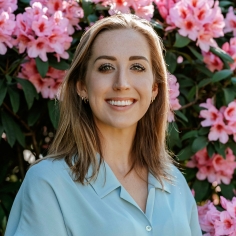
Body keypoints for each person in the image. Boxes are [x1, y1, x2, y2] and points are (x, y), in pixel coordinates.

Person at [5, 14, 202, 236]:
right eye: (106, 67)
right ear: (81, 86)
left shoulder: (174, 182)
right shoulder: (49, 183)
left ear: (155, 88)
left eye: (137, 67)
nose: (122, 84)